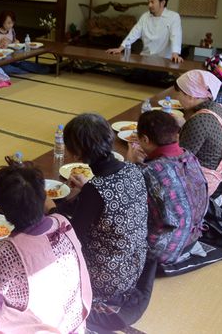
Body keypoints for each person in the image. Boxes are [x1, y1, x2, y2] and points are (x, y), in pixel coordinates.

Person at [61, 113, 153, 332]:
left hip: (108, 279)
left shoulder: (96, 190)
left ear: (78, 151)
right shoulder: (132, 169)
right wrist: (85, 192)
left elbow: (73, 237)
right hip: (136, 263)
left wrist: (53, 208)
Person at [0, 161, 91, 333]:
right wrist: (2, 253)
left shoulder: (3, 254)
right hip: (74, 325)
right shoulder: (61, 221)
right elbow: (37, 250)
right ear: (43, 197)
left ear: (1, 208)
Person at [127, 110, 209, 267]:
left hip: (163, 251)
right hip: (192, 239)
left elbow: (127, 197)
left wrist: (131, 164)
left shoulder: (148, 171)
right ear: (176, 135)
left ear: (144, 139)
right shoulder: (190, 156)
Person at [175, 70, 222, 202]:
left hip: (205, 192)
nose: (177, 98)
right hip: (220, 184)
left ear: (191, 95)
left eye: (180, 93)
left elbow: (178, 161)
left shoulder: (199, 121)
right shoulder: (220, 107)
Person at [107, 0, 183, 63]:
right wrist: (120, 48)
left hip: (163, 60)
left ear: (162, 3)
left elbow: (175, 35)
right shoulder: (145, 16)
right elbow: (134, 33)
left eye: (152, 2)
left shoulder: (173, 17)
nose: (149, 5)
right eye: (149, 2)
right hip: (145, 58)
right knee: (134, 75)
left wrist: (175, 53)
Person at [0, 10, 52, 75]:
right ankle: (36, 70)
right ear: (2, 21)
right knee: (7, 69)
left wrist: (16, 42)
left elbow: (13, 42)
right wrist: (0, 45)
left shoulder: (11, 30)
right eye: (8, 23)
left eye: (12, 23)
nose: (11, 25)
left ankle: (48, 69)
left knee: (21, 63)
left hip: (10, 56)